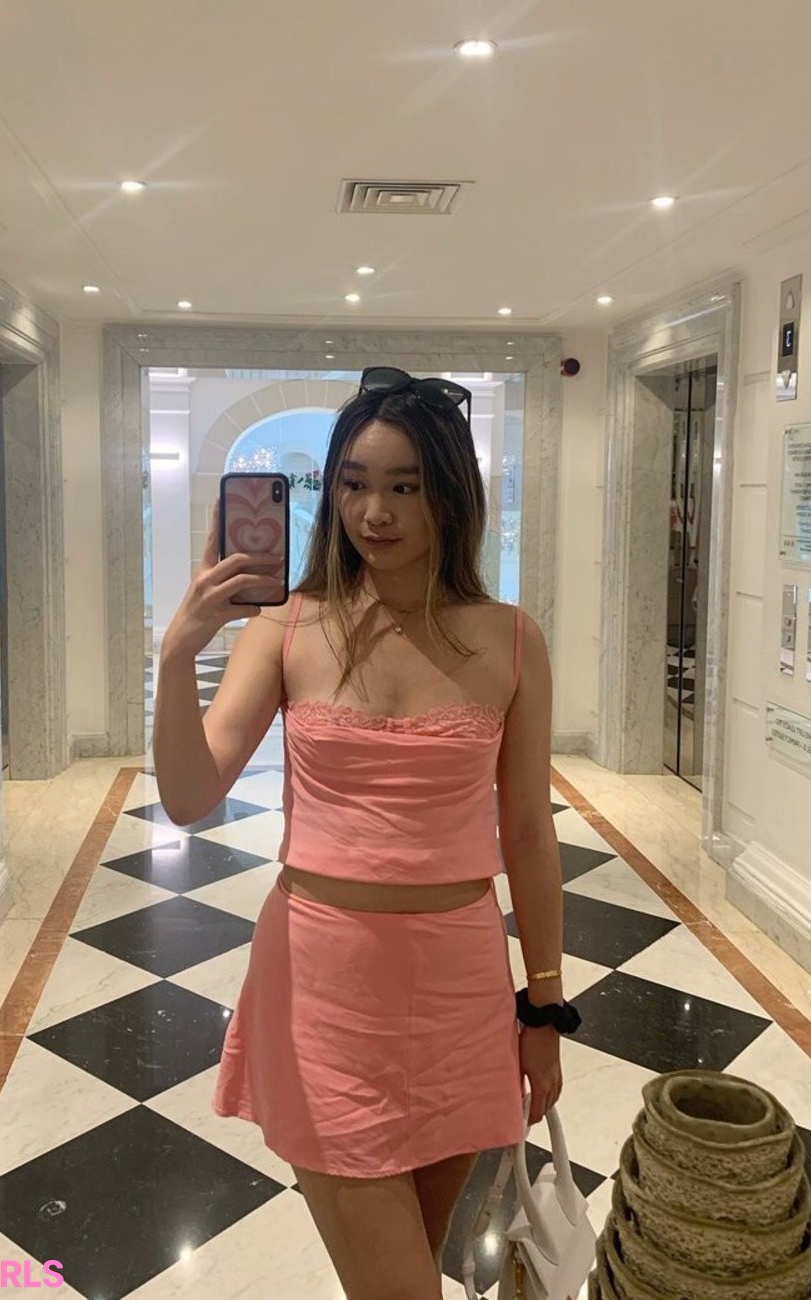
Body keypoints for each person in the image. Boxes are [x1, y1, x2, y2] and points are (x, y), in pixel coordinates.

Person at [153, 367, 567, 1300]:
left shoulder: (510, 639)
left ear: (450, 494)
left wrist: (544, 1010)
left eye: (404, 486)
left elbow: (529, 833)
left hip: (461, 990)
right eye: (353, 483)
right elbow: (188, 792)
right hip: (322, 989)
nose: (374, 512)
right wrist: (179, 652)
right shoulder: (288, 626)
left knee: (412, 1263)